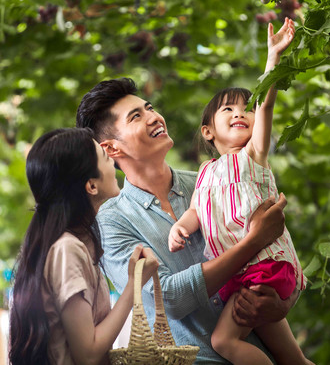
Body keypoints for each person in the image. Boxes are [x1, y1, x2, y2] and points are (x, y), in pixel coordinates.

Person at [75, 80, 297, 365]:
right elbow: (168, 298)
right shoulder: (111, 223)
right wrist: (254, 240)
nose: (154, 117)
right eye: (136, 116)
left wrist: (281, 304)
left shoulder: (217, 183)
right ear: (112, 148)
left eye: (150, 108)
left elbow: (279, 258)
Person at [168, 18, 313, 365]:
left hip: (263, 265)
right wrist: (181, 227)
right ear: (207, 131)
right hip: (241, 272)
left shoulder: (252, 156)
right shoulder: (204, 173)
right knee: (291, 355)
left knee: (224, 341)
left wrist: (273, 58)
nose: (240, 113)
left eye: (245, 108)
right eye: (228, 109)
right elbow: (196, 212)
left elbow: (266, 105)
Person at [9, 127, 158, 365]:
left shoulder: (66, 245)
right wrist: (134, 285)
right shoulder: (67, 250)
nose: (114, 164)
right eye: (107, 159)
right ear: (91, 186)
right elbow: (87, 354)